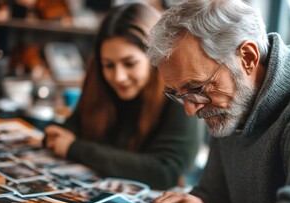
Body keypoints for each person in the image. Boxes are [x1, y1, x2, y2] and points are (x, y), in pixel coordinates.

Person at [147, 0, 290, 203]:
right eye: (178, 94)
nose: (190, 109)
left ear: (248, 57)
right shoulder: (233, 102)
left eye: (196, 87)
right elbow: (214, 198)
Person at [44, 2, 199, 190]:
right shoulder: (99, 82)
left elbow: (165, 171)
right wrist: (57, 136)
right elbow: (71, 129)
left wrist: (75, 148)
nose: (118, 77)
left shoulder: (179, 94)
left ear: (155, 59)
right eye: (108, 65)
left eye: (129, 63)